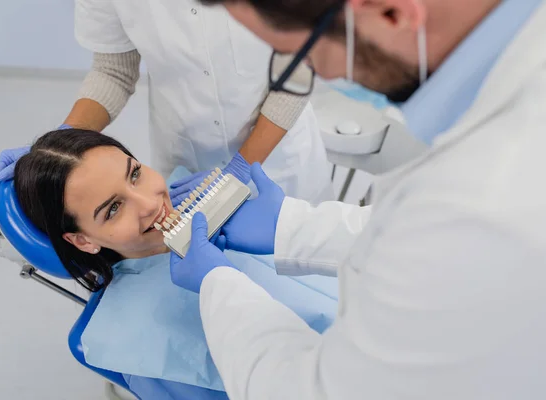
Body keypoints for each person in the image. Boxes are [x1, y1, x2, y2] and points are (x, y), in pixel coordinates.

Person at [168, 0, 546, 399]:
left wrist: (218, 286)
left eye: (304, 56)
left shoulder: (476, 207)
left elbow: (317, 392)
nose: (323, 73)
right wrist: (293, 226)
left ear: (390, 12)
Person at [13, 128, 338, 400]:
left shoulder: (211, 199)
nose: (151, 203)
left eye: (135, 174)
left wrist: (291, 227)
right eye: (113, 209)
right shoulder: (136, 339)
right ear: (83, 241)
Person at [0, 0, 334, 212]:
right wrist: (55, 146)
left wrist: (240, 170)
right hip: (184, 154)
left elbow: (297, 75)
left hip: (279, 162)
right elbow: (113, 71)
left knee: (296, 274)